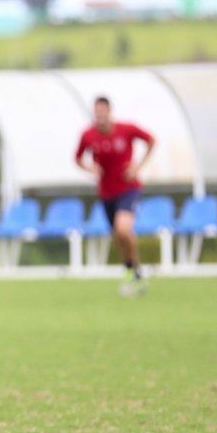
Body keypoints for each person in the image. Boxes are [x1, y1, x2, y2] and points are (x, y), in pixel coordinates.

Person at [74, 96, 155, 296]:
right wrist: (90, 167)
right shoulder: (88, 135)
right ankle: (132, 269)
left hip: (129, 188)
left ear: (109, 111)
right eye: (97, 111)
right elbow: (77, 158)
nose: (100, 115)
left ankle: (135, 269)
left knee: (123, 228)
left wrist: (138, 166)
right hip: (106, 192)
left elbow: (151, 140)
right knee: (117, 235)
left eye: (103, 111)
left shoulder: (126, 129)